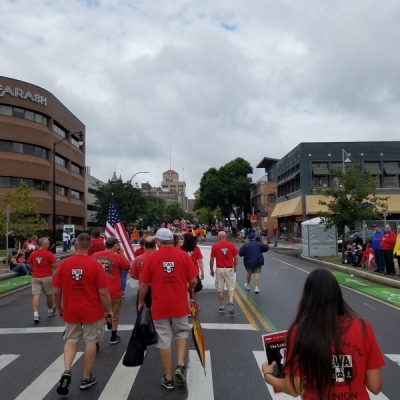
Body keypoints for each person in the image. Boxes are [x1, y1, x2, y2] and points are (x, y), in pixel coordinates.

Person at [261, 268, 385, 399]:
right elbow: (375, 387)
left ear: (307, 298)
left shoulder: (300, 331)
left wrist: (267, 375)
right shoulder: (363, 327)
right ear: (337, 295)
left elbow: (293, 388)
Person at [52, 233, 113, 395]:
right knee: (91, 341)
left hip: (71, 309)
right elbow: (104, 292)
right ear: (89, 248)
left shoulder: (64, 265)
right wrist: (109, 310)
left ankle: (67, 370)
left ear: (75, 246)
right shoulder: (94, 265)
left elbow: (56, 291)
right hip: (92, 310)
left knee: (71, 339)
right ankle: (86, 377)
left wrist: (58, 307)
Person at [138, 228, 198, 390]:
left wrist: (141, 301)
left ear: (158, 241)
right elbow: (193, 280)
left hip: (160, 306)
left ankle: (169, 377)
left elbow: (143, 284)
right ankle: (180, 364)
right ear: (172, 240)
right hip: (179, 304)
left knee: (163, 339)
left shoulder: (152, 258)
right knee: (182, 333)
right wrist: (189, 289)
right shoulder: (183, 256)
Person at [91, 237, 130, 344]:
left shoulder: (95, 256)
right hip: (113, 290)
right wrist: (122, 253)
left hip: (97, 291)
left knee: (98, 315)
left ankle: (96, 340)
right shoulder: (117, 257)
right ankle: (113, 336)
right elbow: (127, 266)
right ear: (115, 245)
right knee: (115, 314)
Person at [27, 237, 58, 323]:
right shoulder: (49, 254)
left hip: (35, 276)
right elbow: (55, 265)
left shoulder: (33, 254)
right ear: (44, 245)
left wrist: (36, 266)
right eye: (48, 243)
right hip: (46, 276)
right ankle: (50, 310)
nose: (49, 244)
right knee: (49, 294)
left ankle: (36, 314)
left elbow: (29, 265)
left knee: (36, 295)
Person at [210, 231, 239, 314]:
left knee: (220, 289)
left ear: (218, 237)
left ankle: (222, 307)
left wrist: (211, 269)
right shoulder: (231, 245)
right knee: (231, 287)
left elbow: (212, 259)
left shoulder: (215, 246)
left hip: (219, 269)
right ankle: (230, 301)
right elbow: (236, 258)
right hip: (229, 268)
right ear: (225, 237)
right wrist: (235, 267)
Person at [130, 235, 157, 310]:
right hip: (157, 288)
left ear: (144, 246)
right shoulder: (160, 258)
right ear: (155, 245)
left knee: (142, 312)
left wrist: (142, 276)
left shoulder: (138, 259)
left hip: (143, 287)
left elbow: (132, 275)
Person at [181, 233, 204, 305]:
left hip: (183, 273)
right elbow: (200, 261)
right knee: (194, 290)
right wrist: (202, 272)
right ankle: (193, 306)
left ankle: (186, 305)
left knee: (185, 290)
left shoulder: (180, 248)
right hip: (194, 272)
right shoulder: (196, 249)